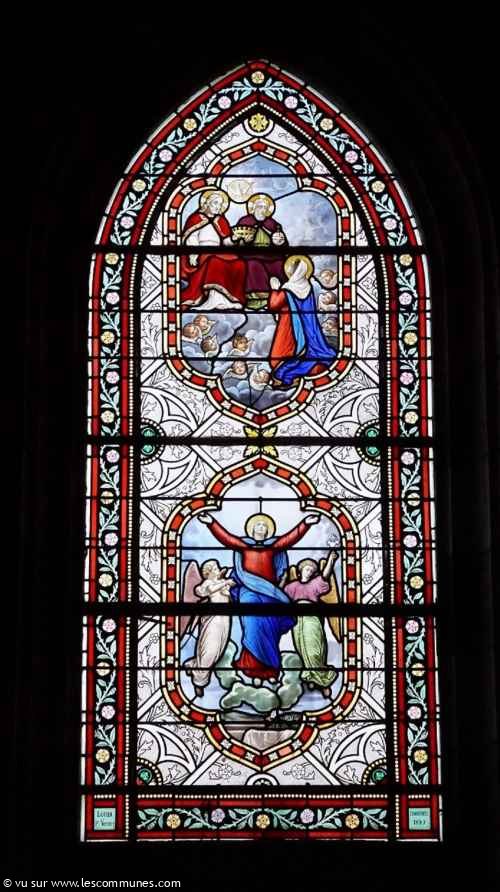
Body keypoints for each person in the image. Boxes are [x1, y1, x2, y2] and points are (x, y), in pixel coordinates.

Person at [198, 510, 320, 682]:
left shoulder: (272, 547)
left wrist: (305, 524)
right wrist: (211, 522)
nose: (261, 527)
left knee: (270, 630)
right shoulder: (243, 546)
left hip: (270, 593)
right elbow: (227, 538)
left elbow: (289, 539)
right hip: (248, 593)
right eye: (258, 525)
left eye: (264, 525)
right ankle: (251, 668)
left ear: (268, 531)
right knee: (252, 625)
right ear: (252, 530)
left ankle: (271, 671)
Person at [268, 255, 337, 388]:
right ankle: (289, 376)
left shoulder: (289, 288)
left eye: (291, 269)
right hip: (309, 328)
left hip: (291, 327)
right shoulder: (307, 286)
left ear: (295, 272)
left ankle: (285, 377)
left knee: (283, 355)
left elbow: (274, 305)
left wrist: (275, 289)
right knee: (305, 353)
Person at [284, 551, 339, 697]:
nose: (309, 572)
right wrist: (282, 579)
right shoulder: (292, 586)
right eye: (307, 569)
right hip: (297, 622)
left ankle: (323, 680)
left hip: (311, 620)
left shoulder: (315, 584)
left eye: (311, 570)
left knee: (314, 649)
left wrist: (331, 560)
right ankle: (311, 676)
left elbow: (325, 575)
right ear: (301, 570)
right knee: (302, 649)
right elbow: (281, 597)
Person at [181, 190, 246, 308]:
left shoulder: (221, 220)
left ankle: (230, 300)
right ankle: (213, 299)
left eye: (220, 205)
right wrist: (193, 253)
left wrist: (234, 239)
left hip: (218, 251)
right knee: (214, 261)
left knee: (239, 263)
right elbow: (191, 237)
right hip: (202, 251)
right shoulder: (196, 218)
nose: (218, 207)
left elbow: (226, 242)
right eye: (215, 203)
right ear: (206, 203)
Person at [181, 560, 234, 698]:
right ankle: (199, 682)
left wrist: (226, 588)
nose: (218, 569)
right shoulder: (208, 583)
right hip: (213, 621)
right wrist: (225, 582)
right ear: (208, 573)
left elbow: (229, 600)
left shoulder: (219, 583)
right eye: (215, 568)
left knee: (217, 652)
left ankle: (192, 665)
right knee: (209, 651)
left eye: (217, 567)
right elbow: (206, 591)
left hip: (225, 620)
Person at [233, 193, 287, 305]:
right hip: (250, 255)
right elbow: (237, 242)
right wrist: (245, 242)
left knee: (280, 264)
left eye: (265, 207)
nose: (262, 210)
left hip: (271, 254)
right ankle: (257, 297)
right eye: (260, 207)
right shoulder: (245, 221)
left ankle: (279, 298)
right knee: (253, 265)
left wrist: (280, 242)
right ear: (253, 208)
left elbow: (283, 244)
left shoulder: (272, 223)